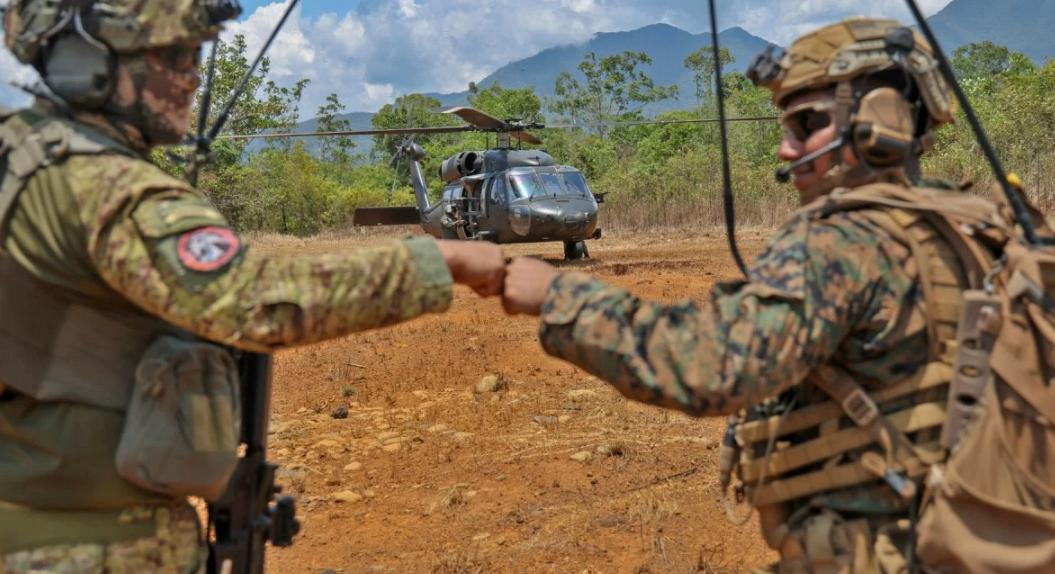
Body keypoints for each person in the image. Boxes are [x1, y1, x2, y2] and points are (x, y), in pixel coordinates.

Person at [0, 1, 505, 572]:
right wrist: (446, 265)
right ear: (80, 61)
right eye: (173, 55)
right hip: (87, 547)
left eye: (196, 54)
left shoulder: (21, 154)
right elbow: (247, 298)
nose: (192, 75)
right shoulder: (103, 186)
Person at [501, 17, 998, 572]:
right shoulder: (986, 229)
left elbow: (709, 366)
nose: (786, 151)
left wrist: (555, 296)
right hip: (967, 540)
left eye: (806, 124)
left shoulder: (842, 243)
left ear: (882, 122)